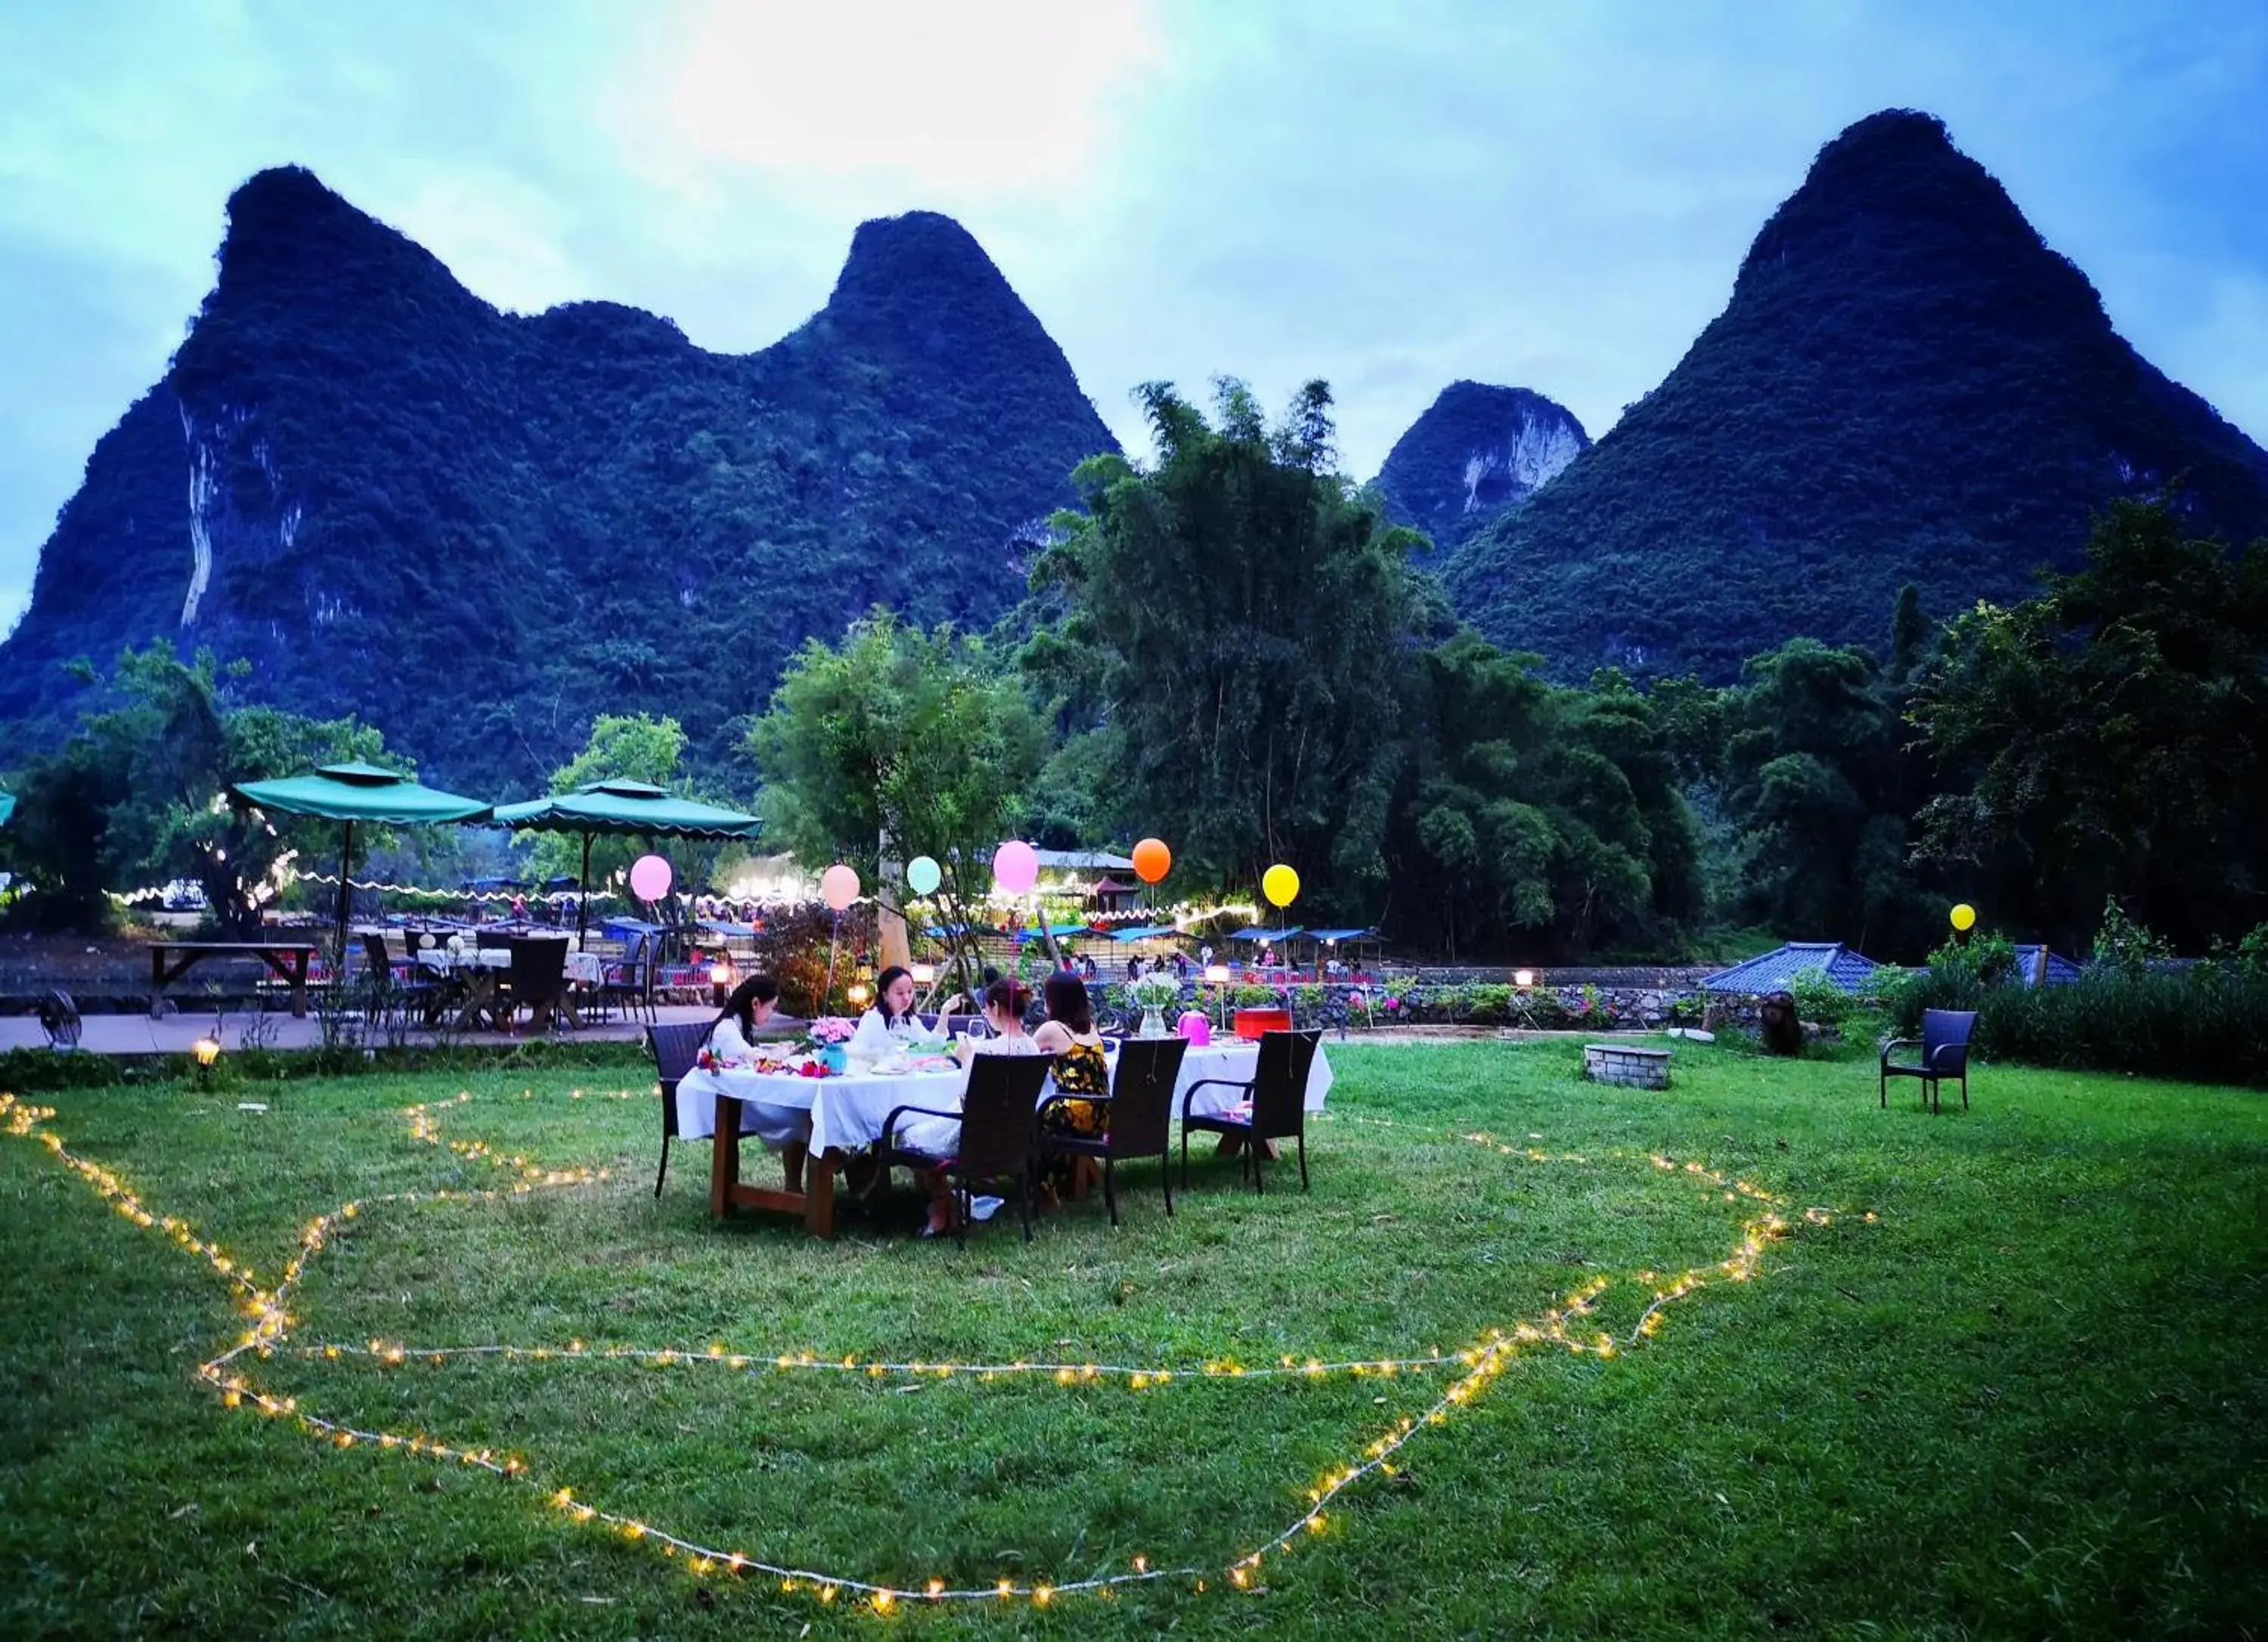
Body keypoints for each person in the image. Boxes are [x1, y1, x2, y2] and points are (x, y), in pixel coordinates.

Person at [897, 978, 1039, 1238]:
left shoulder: (984, 1051)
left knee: (906, 1134)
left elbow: (966, 1101)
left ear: (995, 1008)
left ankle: (943, 1204)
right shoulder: (1034, 1048)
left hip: (971, 1141)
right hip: (1011, 1140)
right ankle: (947, 1205)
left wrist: (966, 1060)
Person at [703, 973, 810, 1185]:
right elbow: (751, 1057)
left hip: (742, 1095)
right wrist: (776, 1054)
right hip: (730, 1103)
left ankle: (797, 1184)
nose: (772, 1014)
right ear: (755, 1003)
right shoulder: (727, 1029)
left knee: (804, 1109)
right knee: (804, 1114)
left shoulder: (738, 1025)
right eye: (771, 1007)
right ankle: (840, 1166)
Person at [1032, 972, 1110, 1182]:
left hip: (1074, 1114)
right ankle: (1068, 1177)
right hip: (1102, 1112)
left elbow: (1024, 1055)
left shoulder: (1052, 1029)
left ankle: (1043, 1184)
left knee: (1028, 1121)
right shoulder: (1091, 1028)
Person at [847, 964, 946, 1059]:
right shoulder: (874, 1019)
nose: (907, 998)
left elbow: (933, 1045)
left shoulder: (910, 1020)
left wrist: (945, 1011)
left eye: (910, 992)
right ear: (885, 995)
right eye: (900, 993)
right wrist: (878, 1056)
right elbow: (856, 1051)